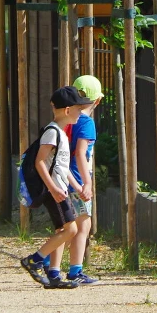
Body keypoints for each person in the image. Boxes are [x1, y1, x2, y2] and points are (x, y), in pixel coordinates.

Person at [20, 86, 85, 290]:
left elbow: (60, 166)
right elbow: (40, 162)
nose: (80, 113)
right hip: (53, 190)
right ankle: (35, 260)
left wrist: (75, 186)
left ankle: (54, 275)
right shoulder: (52, 132)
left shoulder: (61, 134)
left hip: (59, 188)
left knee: (61, 230)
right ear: (67, 110)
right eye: (78, 109)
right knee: (70, 229)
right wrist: (54, 189)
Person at [53, 75, 103, 285]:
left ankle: (53, 269)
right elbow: (80, 153)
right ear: (97, 101)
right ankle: (75, 270)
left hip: (61, 176)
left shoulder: (67, 119)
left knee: (63, 227)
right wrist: (87, 183)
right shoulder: (87, 123)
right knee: (83, 225)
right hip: (77, 179)